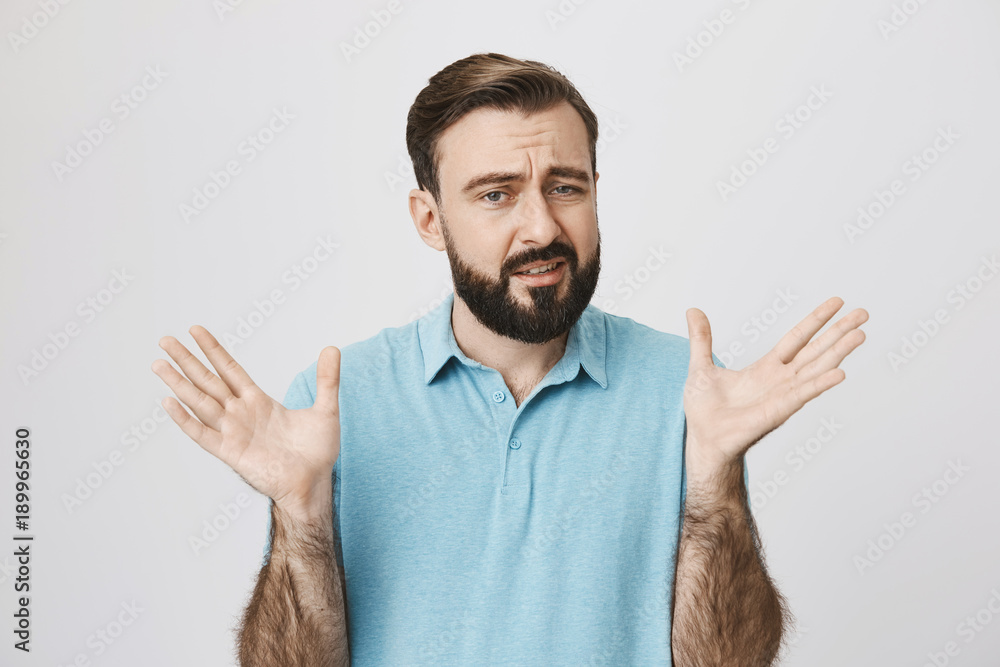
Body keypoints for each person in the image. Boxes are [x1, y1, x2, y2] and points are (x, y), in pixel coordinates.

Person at [152, 52, 868, 666]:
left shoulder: (688, 390)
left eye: (566, 186)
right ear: (430, 219)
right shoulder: (337, 402)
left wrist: (714, 486)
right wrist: (300, 516)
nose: (542, 227)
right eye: (497, 194)